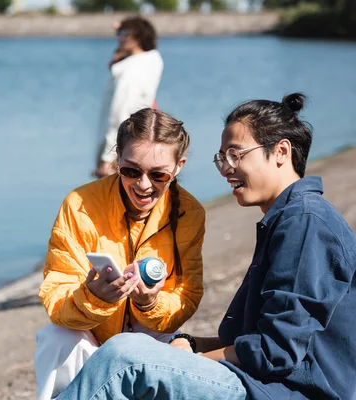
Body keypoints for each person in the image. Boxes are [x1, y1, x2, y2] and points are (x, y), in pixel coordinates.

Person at [56, 93, 356, 400]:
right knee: (142, 349)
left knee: (125, 358)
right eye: (221, 158)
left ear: (281, 151)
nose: (225, 169)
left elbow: (276, 351)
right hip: (269, 382)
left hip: (292, 391)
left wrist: (184, 359)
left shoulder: (305, 221)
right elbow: (253, 340)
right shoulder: (288, 218)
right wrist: (191, 342)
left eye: (235, 156)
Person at [35, 108, 206, 400]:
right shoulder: (80, 205)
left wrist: (150, 302)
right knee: (55, 337)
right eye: (130, 170)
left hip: (153, 335)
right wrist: (94, 297)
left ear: (179, 167)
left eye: (159, 174)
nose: (143, 184)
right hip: (93, 332)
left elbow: (185, 298)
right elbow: (56, 293)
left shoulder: (188, 213)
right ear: (117, 160)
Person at [94, 16, 164, 179]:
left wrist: (107, 157)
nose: (120, 37)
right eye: (119, 33)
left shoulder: (130, 71)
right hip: (138, 138)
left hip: (121, 144)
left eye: (124, 33)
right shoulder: (152, 60)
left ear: (138, 36)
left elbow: (119, 113)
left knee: (113, 199)